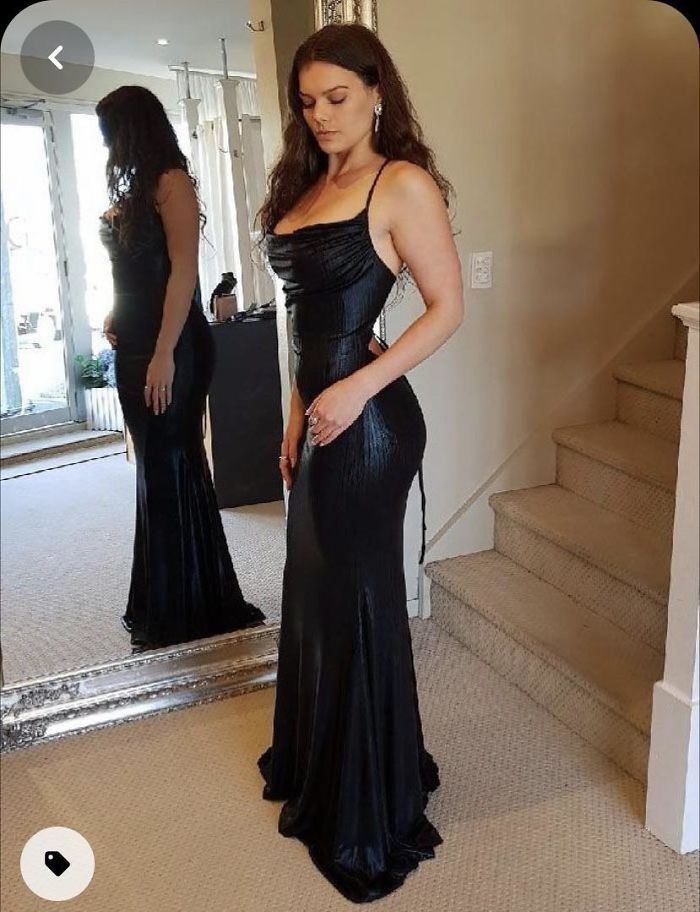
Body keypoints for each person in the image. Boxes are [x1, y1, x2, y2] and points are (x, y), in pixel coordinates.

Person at [255, 24, 464, 903]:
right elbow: (307, 323)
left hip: (372, 427)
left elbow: (447, 307)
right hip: (322, 416)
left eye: (338, 97)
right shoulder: (308, 184)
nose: (322, 114)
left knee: (358, 599)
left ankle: (370, 801)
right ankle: (328, 761)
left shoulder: (399, 183)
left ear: (377, 92)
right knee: (315, 593)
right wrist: (297, 412)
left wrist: (355, 389)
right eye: (308, 102)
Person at [96, 85, 265, 653]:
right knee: (154, 466)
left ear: (133, 130)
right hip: (134, 343)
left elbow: (183, 272)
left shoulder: (172, 183)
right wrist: (116, 312)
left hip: (173, 346)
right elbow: (133, 272)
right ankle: (166, 599)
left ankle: (189, 605)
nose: (108, 146)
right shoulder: (136, 189)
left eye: (112, 134)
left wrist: (165, 351)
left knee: (172, 463)